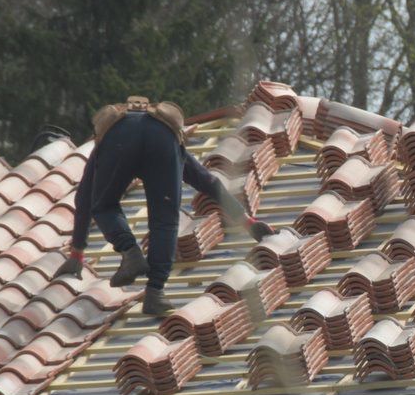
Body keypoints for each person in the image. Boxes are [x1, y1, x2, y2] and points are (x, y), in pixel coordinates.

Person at [52, 99, 273, 315]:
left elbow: (83, 199)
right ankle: (155, 294)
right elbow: (208, 182)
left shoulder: (107, 137)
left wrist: (77, 254)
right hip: (162, 141)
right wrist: (247, 221)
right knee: (165, 220)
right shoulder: (170, 137)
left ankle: (131, 253)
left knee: (104, 206)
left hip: (119, 141)